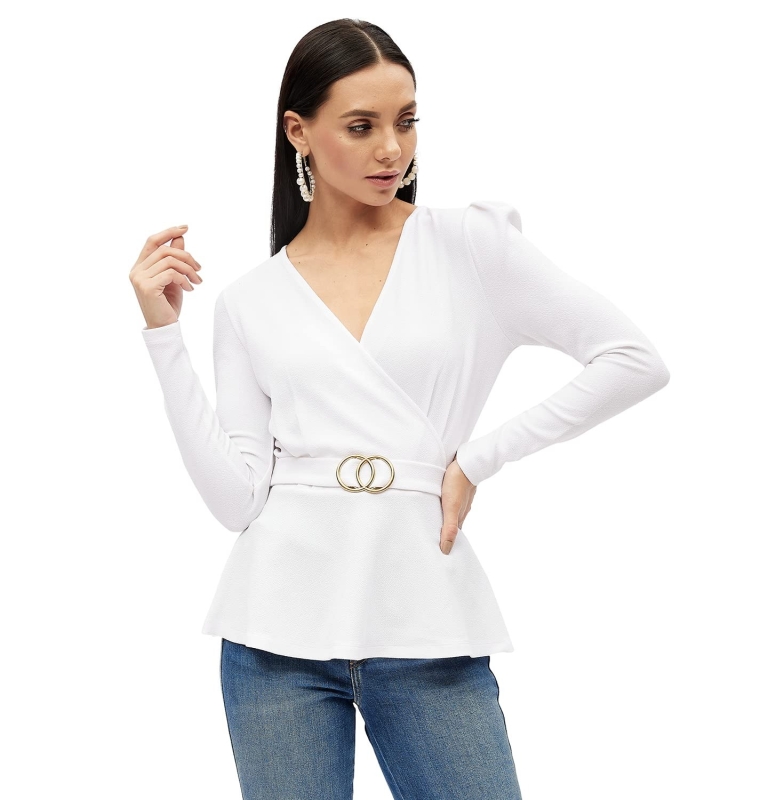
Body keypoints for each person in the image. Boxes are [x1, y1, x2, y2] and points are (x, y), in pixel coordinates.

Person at [129, 18, 670, 800]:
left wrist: (477, 459)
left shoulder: (468, 246)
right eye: (362, 126)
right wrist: (163, 335)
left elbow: (632, 360)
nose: (393, 149)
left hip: (426, 621)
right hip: (272, 635)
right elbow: (237, 501)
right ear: (298, 132)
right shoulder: (250, 300)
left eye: (407, 121)